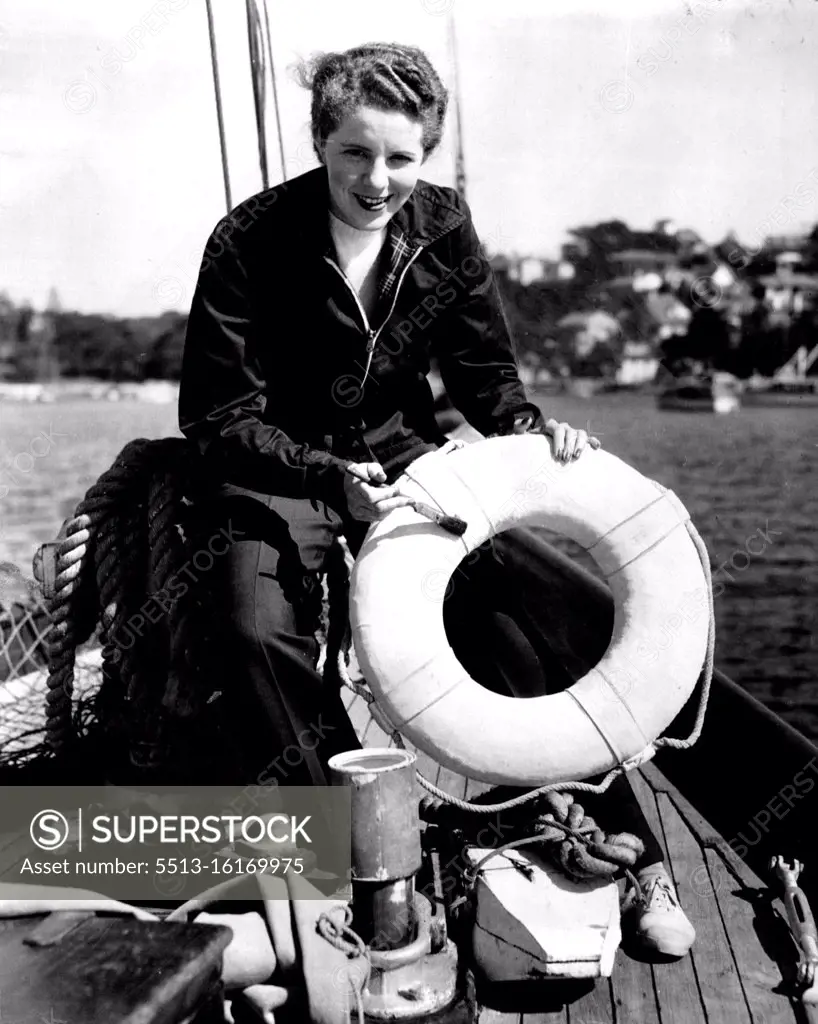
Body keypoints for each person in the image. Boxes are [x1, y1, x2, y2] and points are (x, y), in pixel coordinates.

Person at [178, 42, 694, 959]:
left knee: (503, 612)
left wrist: (534, 425)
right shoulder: (248, 239)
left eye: (402, 159)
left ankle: (634, 851)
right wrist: (321, 476)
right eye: (355, 154)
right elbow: (216, 413)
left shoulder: (443, 225)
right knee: (256, 632)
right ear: (320, 141)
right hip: (277, 465)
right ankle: (354, 849)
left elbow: (484, 372)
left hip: (398, 446)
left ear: (427, 156)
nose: (378, 181)